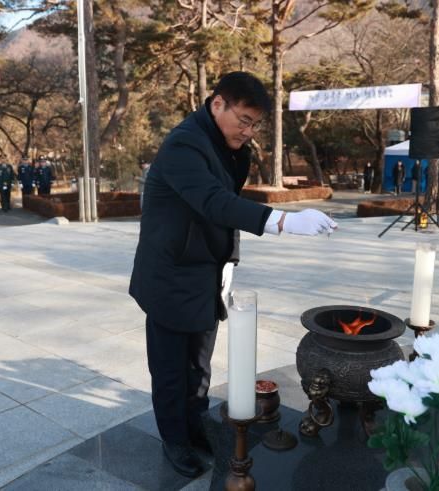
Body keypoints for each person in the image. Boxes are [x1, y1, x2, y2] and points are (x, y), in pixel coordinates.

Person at [129, 72, 336, 479]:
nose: (249, 131)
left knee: (199, 366)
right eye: (243, 120)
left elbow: (223, 208)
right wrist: (282, 221)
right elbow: (213, 201)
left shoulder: (227, 146)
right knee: (171, 368)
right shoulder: (184, 144)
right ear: (217, 104)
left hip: (206, 269)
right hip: (170, 273)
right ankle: (174, 439)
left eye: (255, 124)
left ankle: (196, 425)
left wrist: (228, 262)